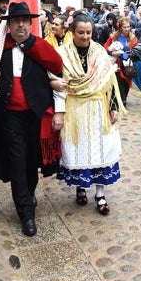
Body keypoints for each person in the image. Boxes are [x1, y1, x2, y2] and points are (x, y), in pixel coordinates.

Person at [0, 2, 63, 237]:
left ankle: (28, 192)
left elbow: (57, 71)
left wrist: (58, 104)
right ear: (8, 24)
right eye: (16, 21)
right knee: (17, 161)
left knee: (31, 162)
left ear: (31, 23)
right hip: (8, 116)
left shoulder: (40, 47)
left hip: (36, 116)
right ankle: (25, 212)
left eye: (25, 20)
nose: (21, 25)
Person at [52, 11, 125, 215]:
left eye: (89, 32)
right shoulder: (61, 53)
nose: (85, 36)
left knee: (102, 148)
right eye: (81, 32)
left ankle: (100, 194)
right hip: (74, 107)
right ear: (72, 32)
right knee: (79, 148)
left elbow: (108, 82)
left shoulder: (100, 52)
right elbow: (57, 84)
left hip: (98, 107)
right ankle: (81, 188)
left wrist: (113, 107)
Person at [104, 16, 139, 106]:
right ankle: (121, 100)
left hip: (128, 63)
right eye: (125, 27)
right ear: (120, 27)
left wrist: (130, 50)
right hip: (117, 63)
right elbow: (106, 47)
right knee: (119, 81)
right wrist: (112, 53)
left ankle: (124, 98)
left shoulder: (133, 38)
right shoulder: (115, 37)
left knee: (127, 82)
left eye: (128, 27)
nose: (127, 29)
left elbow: (137, 49)